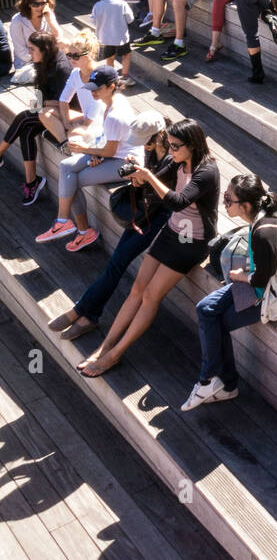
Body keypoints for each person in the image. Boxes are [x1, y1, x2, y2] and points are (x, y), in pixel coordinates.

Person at [75, 119, 220, 377]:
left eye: (176, 146)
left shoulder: (206, 171)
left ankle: (115, 355)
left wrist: (149, 177)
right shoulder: (178, 161)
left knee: (151, 295)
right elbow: (153, 181)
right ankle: (105, 347)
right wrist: (138, 175)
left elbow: (178, 201)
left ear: (193, 145)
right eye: (171, 146)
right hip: (173, 231)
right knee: (137, 289)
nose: (172, 151)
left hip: (191, 240)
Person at [47, 117, 178, 344]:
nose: (142, 145)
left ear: (158, 138)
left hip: (161, 218)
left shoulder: (171, 161)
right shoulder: (151, 152)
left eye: (145, 141)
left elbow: (162, 190)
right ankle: (88, 315)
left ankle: (81, 311)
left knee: (117, 264)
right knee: (115, 264)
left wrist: (141, 178)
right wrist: (135, 177)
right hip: (146, 212)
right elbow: (144, 182)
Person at [182, 175, 277, 411]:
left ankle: (214, 382)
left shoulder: (262, 233)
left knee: (216, 321)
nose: (224, 203)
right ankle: (217, 382)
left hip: (271, 296)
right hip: (260, 281)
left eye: (228, 199)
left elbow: (261, 278)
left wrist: (238, 276)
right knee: (205, 309)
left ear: (245, 205)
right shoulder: (262, 216)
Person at [34, 69, 145, 253]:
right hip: (112, 154)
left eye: (97, 89)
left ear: (111, 87)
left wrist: (87, 150)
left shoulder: (116, 114)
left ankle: (80, 229)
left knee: (73, 179)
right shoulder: (107, 102)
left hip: (127, 163)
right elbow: (106, 140)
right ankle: (64, 221)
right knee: (65, 166)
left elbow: (111, 149)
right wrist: (97, 155)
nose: (92, 93)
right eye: (91, 88)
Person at [0, 31, 70, 206]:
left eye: (32, 49)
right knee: (27, 130)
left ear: (44, 50)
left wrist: (40, 105)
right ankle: (32, 182)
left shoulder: (62, 68)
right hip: (47, 109)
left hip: (67, 114)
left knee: (24, 118)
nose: (29, 52)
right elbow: (39, 89)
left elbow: (66, 102)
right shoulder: (41, 62)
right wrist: (36, 105)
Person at [91, 0, 134, 87]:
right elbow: (130, 19)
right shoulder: (122, 4)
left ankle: (111, 78)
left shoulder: (97, 6)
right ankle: (125, 76)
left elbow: (93, 21)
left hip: (105, 38)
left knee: (109, 58)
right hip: (121, 37)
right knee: (126, 55)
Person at [7, 0, 61, 71]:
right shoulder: (17, 21)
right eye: (35, 4)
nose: (39, 7)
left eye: (43, 3)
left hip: (48, 58)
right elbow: (20, 51)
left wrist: (50, 20)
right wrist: (41, 59)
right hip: (27, 62)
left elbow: (59, 38)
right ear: (28, 4)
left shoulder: (48, 15)